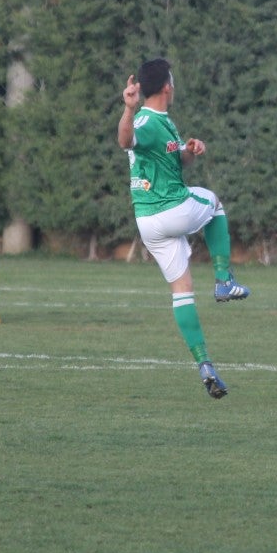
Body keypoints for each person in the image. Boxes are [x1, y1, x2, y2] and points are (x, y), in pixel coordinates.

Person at [117, 58, 248, 399]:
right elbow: (126, 140)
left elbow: (175, 162)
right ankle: (224, 280)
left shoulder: (164, 122)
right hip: (168, 208)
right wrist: (128, 109)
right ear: (166, 86)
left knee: (182, 289)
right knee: (214, 204)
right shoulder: (146, 119)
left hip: (148, 221)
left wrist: (190, 151)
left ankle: (205, 366)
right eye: (172, 81)